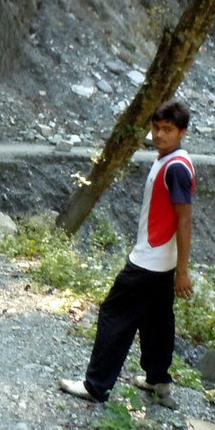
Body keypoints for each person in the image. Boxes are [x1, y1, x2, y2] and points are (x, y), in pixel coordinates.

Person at [60, 100, 196, 409]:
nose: (160, 135)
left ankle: (95, 386)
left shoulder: (175, 167)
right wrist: (176, 266)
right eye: (157, 128)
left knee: (113, 314)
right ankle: (158, 381)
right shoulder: (175, 159)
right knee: (157, 320)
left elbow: (185, 219)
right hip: (162, 260)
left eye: (169, 130)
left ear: (182, 132)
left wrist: (184, 271)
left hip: (148, 260)